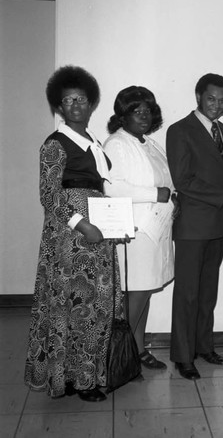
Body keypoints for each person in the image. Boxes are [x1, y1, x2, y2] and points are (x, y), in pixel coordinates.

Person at [24, 66, 120, 402]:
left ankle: (85, 377)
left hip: (97, 236)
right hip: (70, 240)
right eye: (68, 101)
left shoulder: (93, 142)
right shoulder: (55, 143)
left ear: (92, 103)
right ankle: (73, 381)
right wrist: (82, 224)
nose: (75, 105)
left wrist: (115, 222)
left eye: (81, 99)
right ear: (59, 106)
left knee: (95, 308)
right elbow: (50, 196)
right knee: (72, 306)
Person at [166, 73, 223, 380]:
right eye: (211, 99)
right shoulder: (180, 130)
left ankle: (203, 346)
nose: (217, 105)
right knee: (187, 293)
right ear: (199, 97)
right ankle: (182, 355)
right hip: (192, 226)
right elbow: (183, 180)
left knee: (207, 293)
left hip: (217, 223)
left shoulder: (222, 129)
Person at [104, 86, 176, 371]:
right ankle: (115, 356)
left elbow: (167, 182)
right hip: (136, 232)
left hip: (155, 230)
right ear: (123, 115)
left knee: (144, 291)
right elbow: (111, 187)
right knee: (137, 293)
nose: (143, 116)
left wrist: (173, 195)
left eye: (147, 110)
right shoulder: (117, 143)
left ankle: (137, 348)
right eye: (136, 111)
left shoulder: (148, 142)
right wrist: (154, 194)